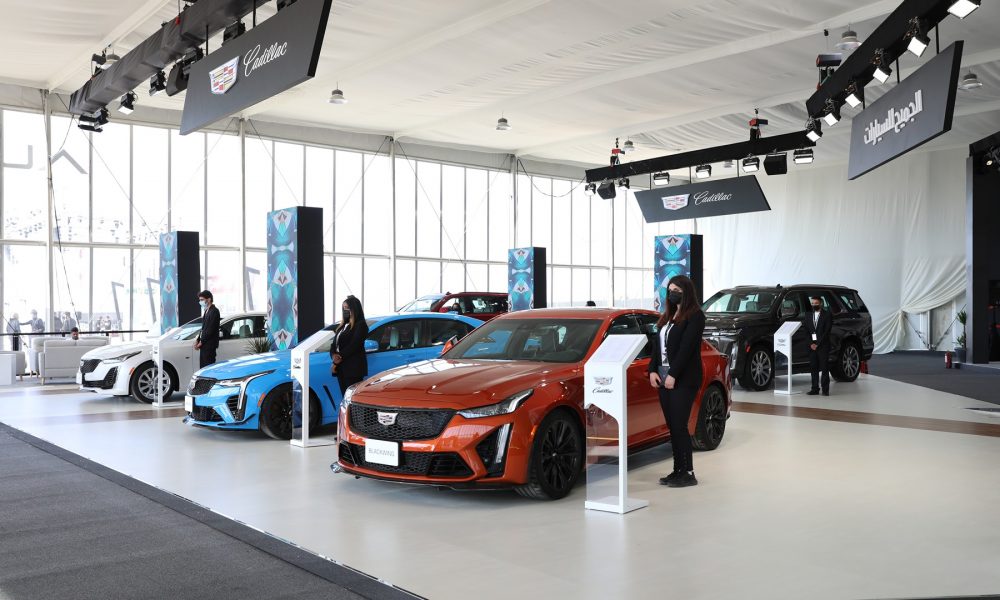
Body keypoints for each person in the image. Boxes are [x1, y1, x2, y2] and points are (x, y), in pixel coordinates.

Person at [647, 275, 705, 488]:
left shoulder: (695, 316)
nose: (672, 294)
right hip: (663, 376)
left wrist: (673, 374)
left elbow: (686, 349)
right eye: (670, 290)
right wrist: (652, 370)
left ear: (686, 292)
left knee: (680, 425)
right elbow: (657, 347)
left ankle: (688, 472)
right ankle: (677, 469)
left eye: (676, 290)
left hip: (684, 378)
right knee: (672, 426)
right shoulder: (668, 316)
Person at [331, 295, 369, 396]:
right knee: (344, 397)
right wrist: (333, 355)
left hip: (353, 369)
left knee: (351, 397)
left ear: (354, 309)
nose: (345, 310)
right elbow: (334, 344)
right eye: (343, 308)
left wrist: (338, 358)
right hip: (341, 368)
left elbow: (354, 345)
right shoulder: (342, 326)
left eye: (347, 308)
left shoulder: (361, 325)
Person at [804, 295, 832, 396]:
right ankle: (814, 388)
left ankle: (825, 390)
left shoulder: (827, 315)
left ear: (821, 303)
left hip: (823, 345)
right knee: (813, 367)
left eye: (816, 303)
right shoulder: (808, 315)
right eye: (812, 303)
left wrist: (817, 344)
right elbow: (806, 331)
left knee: (824, 368)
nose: (814, 305)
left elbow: (826, 331)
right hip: (811, 346)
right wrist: (811, 343)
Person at [194, 290, 221, 368]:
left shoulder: (214, 311)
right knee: (203, 367)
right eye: (200, 300)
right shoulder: (206, 311)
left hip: (209, 345)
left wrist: (201, 342)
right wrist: (198, 340)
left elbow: (210, 330)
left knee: (208, 368)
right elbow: (203, 329)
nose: (200, 302)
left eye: (202, 300)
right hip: (204, 345)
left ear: (209, 299)